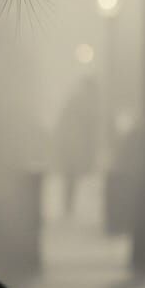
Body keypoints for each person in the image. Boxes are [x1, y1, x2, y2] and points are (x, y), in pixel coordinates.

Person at [55, 76, 99, 215]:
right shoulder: (82, 102)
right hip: (73, 144)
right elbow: (86, 126)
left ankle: (68, 206)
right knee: (71, 176)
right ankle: (68, 207)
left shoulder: (78, 100)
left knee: (70, 177)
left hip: (72, 144)